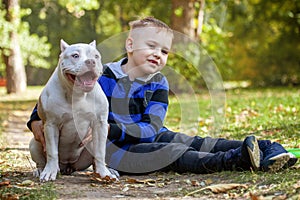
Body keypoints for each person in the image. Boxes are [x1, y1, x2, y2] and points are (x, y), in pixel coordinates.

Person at [27, 17, 297, 176]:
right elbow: (56, 100)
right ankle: (240, 159)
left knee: (196, 141)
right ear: (130, 45)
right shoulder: (101, 75)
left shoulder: (158, 83)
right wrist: (33, 121)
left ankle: (268, 147)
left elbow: (152, 127)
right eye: (151, 46)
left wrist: (114, 128)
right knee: (172, 152)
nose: (158, 54)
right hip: (115, 150)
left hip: (147, 133)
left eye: (165, 51)